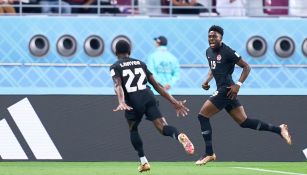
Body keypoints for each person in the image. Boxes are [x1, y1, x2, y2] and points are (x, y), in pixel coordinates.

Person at [195, 25, 292, 165]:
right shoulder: (208, 51)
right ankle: (279, 129)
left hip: (226, 89)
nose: (211, 38)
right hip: (225, 90)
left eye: (214, 36)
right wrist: (206, 81)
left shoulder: (227, 51)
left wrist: (238, 85)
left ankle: (209, 153)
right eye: (209, 36)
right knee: (244, 122)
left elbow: (246, 67)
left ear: (220, 38)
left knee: (202, 116)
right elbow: (213, 68)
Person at [110, 40, 194, 172]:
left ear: (116, 52)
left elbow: (118, 85)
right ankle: (178, 136)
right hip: (148, 96)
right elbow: (157, 85)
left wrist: (121, 101)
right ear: (130, 51)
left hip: (132, 100)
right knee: (162, 127)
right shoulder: (140, 63)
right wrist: (174, 102)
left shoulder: (115, 66)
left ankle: (143, 161)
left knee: (133, 129)